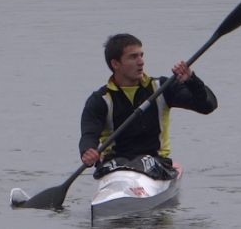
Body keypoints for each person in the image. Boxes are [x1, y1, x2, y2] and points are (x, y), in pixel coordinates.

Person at [79, 34, 218, 178]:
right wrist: (88, 151)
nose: (141, 62)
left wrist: (192, 81)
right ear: (115, 64)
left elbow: (208, 105)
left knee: (143, 161)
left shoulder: (162, 88)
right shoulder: (100, 100)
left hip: (156, 162)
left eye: (141, 55)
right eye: (133, 57)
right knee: (116, 164)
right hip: (115, 165)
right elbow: (89, 134)